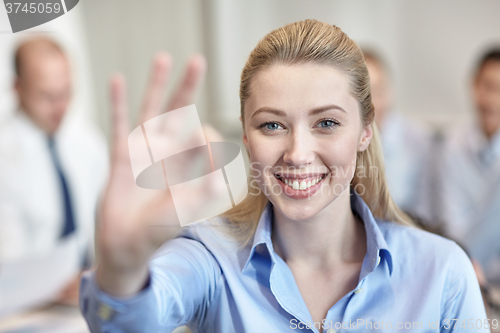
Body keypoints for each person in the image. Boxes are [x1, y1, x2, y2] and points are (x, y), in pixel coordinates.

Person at [80, 20, 488, 332]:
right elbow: (131, 320)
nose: (297, 154)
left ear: (365, 131)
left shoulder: (442, 271)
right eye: (272, 125)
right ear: (245, 134)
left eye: (326, 123)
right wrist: (121, 270)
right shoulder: (209, 258)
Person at [0, 36, 108, 315]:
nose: (60, 107)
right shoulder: (4, 158)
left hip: (87, 301)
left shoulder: (88, 143)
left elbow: (105, 222)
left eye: (66, 93)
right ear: (18, 88)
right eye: (47, 96)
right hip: (23, 313)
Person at [438, 48, 500, 285]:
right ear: (474, 86)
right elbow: (451, 227)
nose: (493, 100)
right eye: (488, 87)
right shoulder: (451, 147)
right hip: (462, 274)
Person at [363, 49, 434, 224]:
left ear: (389, 92)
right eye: (363, 94)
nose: (371, 104)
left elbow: (425, 211)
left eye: (377, 92)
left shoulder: (418, 140)